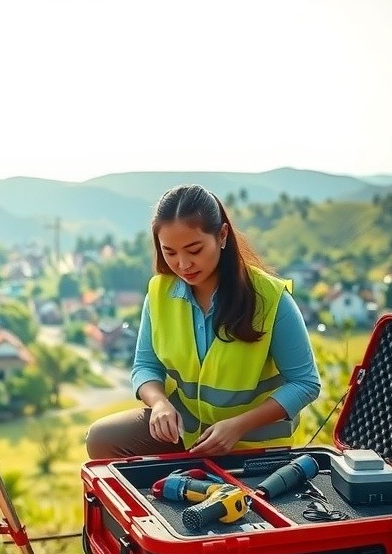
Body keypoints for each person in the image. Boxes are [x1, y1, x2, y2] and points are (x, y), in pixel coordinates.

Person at [86, 184, 320, 459]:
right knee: (101, 439)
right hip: (185, 434)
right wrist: (159, 403)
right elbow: (145, 366)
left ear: (222, 236)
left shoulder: (270, 299)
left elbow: (305, 383)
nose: (183, 264)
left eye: (194, 250)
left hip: (250, 444)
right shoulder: (159, 292)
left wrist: (238, 426)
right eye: (170, 252)